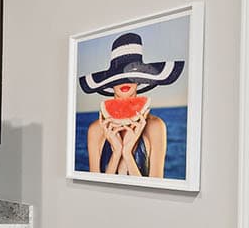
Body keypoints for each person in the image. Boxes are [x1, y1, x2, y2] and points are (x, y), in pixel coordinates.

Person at [77, 32, 185, 177]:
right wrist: (116, 152)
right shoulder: (95, 130)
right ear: (110, 84)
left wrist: (127, 153)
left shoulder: (156, 127)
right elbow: (97, 188)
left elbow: (153, 191)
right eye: (117, 78)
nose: (124, 82)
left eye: (131, 75)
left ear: (140, 80)